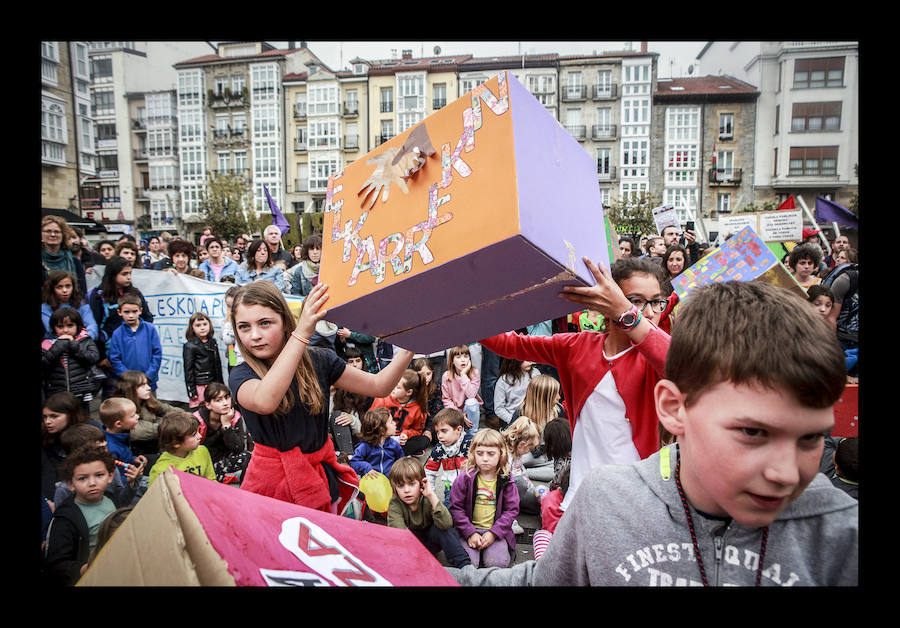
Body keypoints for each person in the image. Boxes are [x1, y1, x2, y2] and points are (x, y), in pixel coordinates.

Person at [449, 279, 857, 586]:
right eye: (752, 432)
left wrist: (629, 314)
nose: (787, 474)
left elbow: (670, 356)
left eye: (810, 438)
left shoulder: (840, 531)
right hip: (601, 488)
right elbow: (543, 583)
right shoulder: (575, 348)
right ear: (673, 407)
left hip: (646, 472)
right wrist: (452, 309)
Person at [481, 256, 670, 514]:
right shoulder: (577, 346)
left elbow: (680, 365)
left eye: (656, 302)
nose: (647, 312)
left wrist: (627, 313)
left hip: (637, 504)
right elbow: (510, 344)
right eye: (635, 301)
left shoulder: (657, 357)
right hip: (580, 500)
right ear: (603, 303)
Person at [227, 280, 414, 515]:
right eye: (244, 327)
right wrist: (302, 333)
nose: (255, 335)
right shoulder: (241, 374)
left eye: (265, 323)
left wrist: (411, 345)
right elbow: (266, 400)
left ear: (285, 322)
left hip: (321, 479)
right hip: (272, 488)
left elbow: (379, 385)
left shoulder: (320, 360)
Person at [43, 445, 120, 585]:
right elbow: (56, 564)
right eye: (82, 478)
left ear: (110, 476)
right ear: (70, 484)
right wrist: (82, 569)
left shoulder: (111, 499)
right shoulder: (65, 519)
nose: (92, 483)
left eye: (99, 475)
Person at [449, 428, 519, 569]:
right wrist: (470, 533)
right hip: (468, 530)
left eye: (491, 454)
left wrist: (494, 533)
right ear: (473, 453)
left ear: (501, 453)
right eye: (480, 453)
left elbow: (511, 510)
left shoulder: (506, 479)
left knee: (497, 563)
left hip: (495, 532)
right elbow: (456, 508)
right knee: (467, 564)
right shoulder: (464, 477)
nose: (485, 458)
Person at [387, 456, 472, 568]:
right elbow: (400, 535)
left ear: (422, 483)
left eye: (412, 484)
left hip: (430, 541)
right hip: (410, 546)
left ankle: (465, 566)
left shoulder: (427, 497)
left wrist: (432, 496)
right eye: (400, 486)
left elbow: (447, 523)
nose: (406, 490)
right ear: (395, 487)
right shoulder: (395, 504)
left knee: (444, 530)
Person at [89, 257, 154, 397]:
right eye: (124, 274)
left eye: (130, 273)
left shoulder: (135, 293)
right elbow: (94, 326)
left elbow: (148, 317)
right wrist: (100, 356)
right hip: (110, 354)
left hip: (135, 352)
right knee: (115, 394)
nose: (128, 277)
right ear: (113, 274)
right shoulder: (99, 296)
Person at [192, 383, 254, 483]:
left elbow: (239, 447)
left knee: (248, 456)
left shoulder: (235, 417)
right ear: (208, 405)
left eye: (227, 398)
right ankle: (224, 477)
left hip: (223, 459)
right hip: (202, 461)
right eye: (218, 400)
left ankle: (223, 477)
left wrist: (226, 425)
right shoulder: (197, 420)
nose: (225, 403)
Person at [41, 307, 101, 410]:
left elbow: (93, 358)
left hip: (80, 391)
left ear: (77, 326)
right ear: (54, 328)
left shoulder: (85, 340)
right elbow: (44, 363)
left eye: (70, 326)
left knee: (81, 420)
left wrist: (73, 345)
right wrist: (58, 346)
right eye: (60, 326)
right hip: (57, 391)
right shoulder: (47, 344)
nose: (65, 330)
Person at [42, 392, 93, 504]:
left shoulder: (91, 433)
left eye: (54, 416)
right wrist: (50, 500)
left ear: (70, 415)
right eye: (45, 417)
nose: (48, 422)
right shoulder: (45, 437)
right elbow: (46, 471)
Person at [113, 370, 178, 457]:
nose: (148, 388)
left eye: (147, 384)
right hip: (136, 455)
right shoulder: (120, 408)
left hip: (153, 449)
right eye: (142, 385)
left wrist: (186, 417)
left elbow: (167, 409)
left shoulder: (147, 401)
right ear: (130, 388)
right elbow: (138, 430)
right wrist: (175, 425)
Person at [108, 293, 162, 392]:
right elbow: (115, 359)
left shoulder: (150, 329)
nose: (131, 315)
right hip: (127, 383)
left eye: (134, 311)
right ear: (119, 312)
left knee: (151, 406)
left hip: (148, 382)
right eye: (127, 312)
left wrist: (148, 375)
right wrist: (128, 377)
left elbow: (157, 354)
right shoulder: (117, 333)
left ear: (140, 311)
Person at [148, 410, 217, 486]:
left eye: (198, 431)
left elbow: (212, 481)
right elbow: (156, 495)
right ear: (176, 443)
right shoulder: (161, 469)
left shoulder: (202, 451)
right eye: (194, 435)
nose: (200, 436)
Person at [371, 369, 430, 456]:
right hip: (381, 436)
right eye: (393, 384)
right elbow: (370, 420)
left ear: (409, 392)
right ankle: (391, 453)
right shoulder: (383, 398)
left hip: (400, 440)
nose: (393, 389)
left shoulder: (418, 408)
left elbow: (417, 430)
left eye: (397, 387)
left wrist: (406, 434)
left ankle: (392, 453)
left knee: (424, 440)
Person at [424, 408, 473, 508]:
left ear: (458, 430)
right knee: (449, 510)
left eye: (444, 431)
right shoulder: (439, 449)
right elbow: (429, 472)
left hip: (471, 485)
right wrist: (431, 494)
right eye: (437, 432)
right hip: (451, 487)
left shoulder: (471, 444)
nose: (440, 436)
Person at [328, 347, 372, 456]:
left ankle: (349, 457)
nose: (355, 365)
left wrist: (352, 420)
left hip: (358, 435)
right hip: (334, 434)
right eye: (350, 362)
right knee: (337, 416)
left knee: (339, 416)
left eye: (358, 361)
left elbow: (366, 427)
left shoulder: (369, 389)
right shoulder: (338, 389)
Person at [503, 416, 542, 527]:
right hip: (504, 495)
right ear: (522, 445)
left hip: (518, 494)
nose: (529, 452)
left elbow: (523, 473)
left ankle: (518, 507)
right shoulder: (505, 456)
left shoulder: (518, 455)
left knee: (537, 505)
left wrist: (534, 491)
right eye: (529, 449)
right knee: (520, 482)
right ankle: (509, 517)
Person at [349, 407, 406, 482]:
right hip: (371, 484)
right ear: (382, 430)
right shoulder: (365, 446)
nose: (395, 424)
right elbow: (353, 462)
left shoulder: (394, 445)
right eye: (391, 422)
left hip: (390, 483)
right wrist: (366, 467)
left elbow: (401, 462)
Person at [183, 311, 224, 409]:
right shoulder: (190, 346)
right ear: (192, 328)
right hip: (200, 385)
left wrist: (221, 384)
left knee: (216, 408)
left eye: (205, 324)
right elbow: (188, 370)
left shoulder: (213, 342)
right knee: (202, 410)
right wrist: (191, 390)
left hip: (213, 383)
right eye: (198, 325)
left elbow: (218, 365)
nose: (202, 327)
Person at [42, 270, 99, 341]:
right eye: (59, 287)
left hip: (81, 343)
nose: (64, 290)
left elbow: (92, 326)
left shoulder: (81, 305)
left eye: (68, 286)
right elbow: (51, 330)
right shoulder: (45, 308)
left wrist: (84, 339)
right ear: (52, 289)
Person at [441, 345, 483, 438]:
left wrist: (463, 375)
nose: (463, 360)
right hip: (453, 410)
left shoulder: (474, 372)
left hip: (469, 410)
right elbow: (446, 399)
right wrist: (459, 414)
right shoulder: (446, 376)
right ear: (452, 361)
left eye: (466, 356)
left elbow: (471, 395)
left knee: (472, 402)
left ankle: (473, 434)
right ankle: (461, 433)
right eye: (458, 357)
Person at [41, 215, 87, 295]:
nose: (52, 235)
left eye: (57, 232)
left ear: (63, 235)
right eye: (48, 231)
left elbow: (82, 292)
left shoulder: (75, 262)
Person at [493, 358, 538, 428]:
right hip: (511, 420)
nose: (530, 362)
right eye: (525, 359)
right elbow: (499, 408)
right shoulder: (503, 381)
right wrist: (514, 421)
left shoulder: (535, 374)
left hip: (533, 418)